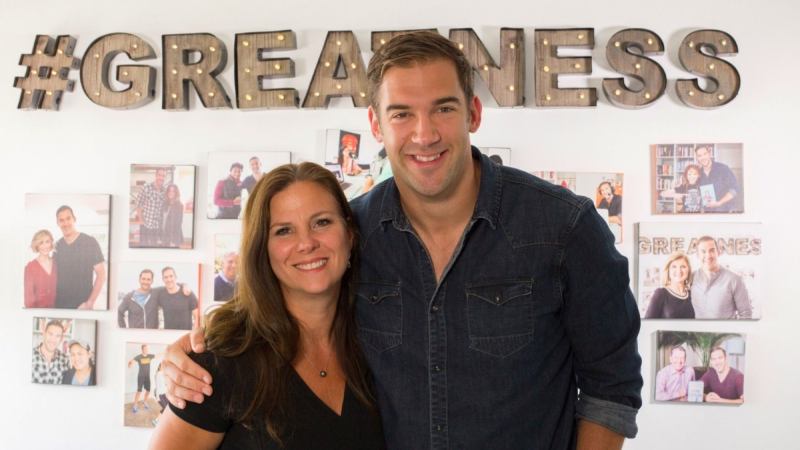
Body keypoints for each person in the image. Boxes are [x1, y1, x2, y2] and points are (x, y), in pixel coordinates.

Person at [164, 31, 642, 450]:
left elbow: (612, 389)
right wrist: (185, 354)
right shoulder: (351, 235)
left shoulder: (564, 227)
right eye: (401, 114)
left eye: (443, 109)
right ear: (376, 125)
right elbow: (274, 300)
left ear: (473, 113)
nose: (424, 134)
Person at [149, 163, 384, 449]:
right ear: (262, 248)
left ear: (350, 233)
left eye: (322, 222)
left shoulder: (382, 346)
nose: (306, 243)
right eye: (284, 231)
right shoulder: (221, 360)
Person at [53, 205, 106, 309]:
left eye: (68, 218)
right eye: (61, 220)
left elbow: (101, 275)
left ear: (74, 219)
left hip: (82, 307)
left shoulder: (89, 242)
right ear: (58, 223)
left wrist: (90, 303)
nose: (65, 223)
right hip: (60, 307)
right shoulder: (57, 246)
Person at [691, 236, 752, 319]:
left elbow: (746, 314)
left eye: (712, 250)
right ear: (698, 255)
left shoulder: (734, 280)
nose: (708, 255)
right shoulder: (691, 277)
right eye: (703, 251)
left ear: (718, 252)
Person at [644, 252, 695, 319]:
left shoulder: (693, 295)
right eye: (674, 267)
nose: (678, 270)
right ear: (668, 270)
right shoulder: (661, 294)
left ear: (688, 270)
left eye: (683, 267)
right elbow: (648, 323)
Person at [694, 146, 741, 213]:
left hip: (725, 211)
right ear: (697, 158)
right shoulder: (698, 174)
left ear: (709, 154)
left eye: (705, 154)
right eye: (699, 156)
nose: (703, 157)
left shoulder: (723, 168)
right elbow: (696, 192)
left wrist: (720, 203)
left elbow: (735, 189)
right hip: (707, 212)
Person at [24, 229, 58, 308]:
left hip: (58, 311)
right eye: (41, 243)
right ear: (37, 245)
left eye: (47, 242)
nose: (45, 246)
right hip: (39, 312)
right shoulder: (30, 267)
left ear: (51, 243)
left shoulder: (57, 264)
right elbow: (28, 299)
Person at [32, 319, 71, 384]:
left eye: (57, 336)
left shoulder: (65, 359)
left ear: (61, 339)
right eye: (50, 334)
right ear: (44, 334)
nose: (53, 339)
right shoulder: (30, 355)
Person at [136, 168, 167, 246]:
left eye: (163, 176)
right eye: (159, 175)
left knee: (154, 246)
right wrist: (141, 221)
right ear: (156, 175)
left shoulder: (164, 190)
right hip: (145, 224)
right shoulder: (146, 187)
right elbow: (138, 205)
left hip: (157, 226)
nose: (161, 178)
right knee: (143, 246)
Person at [129, 344, 156, 413]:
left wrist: (167, 351)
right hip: (141, 376)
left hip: (147, 376)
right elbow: (132, 362)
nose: (147, 350)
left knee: (148, 390)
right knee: (139, 391)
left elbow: (157, 355)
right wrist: (130, 364)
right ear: (142, 349)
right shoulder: (139, 357)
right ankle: (135, 405)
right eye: (145, 349)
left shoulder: (149, 356)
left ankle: (145, 401)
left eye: (147, 349)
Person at [161, 183, 184, 248]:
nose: (171, 193)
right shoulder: (164, 204)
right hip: (164, 236)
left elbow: (178, 224)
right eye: (169, 191)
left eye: (173, 191)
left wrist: (173, 241)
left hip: (173, 238)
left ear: (176, 193)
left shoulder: (179, 205)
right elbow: (161, 221)